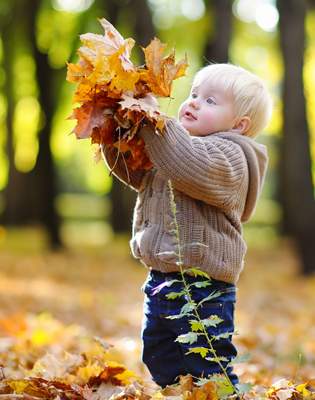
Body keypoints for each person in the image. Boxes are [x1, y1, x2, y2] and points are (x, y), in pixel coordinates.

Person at [101, 63, 272, 388]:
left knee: (207, 365)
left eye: (210, 101)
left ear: (239, 125)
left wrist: (154, 121)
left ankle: (220, 396)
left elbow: (187, 165)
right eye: (193, 94)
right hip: (160, 280)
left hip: (203, 288)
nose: (193, 102)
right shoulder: (175, 150)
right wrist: (115, 128)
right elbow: (133, 172)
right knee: (160, 358)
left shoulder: (230, 156)